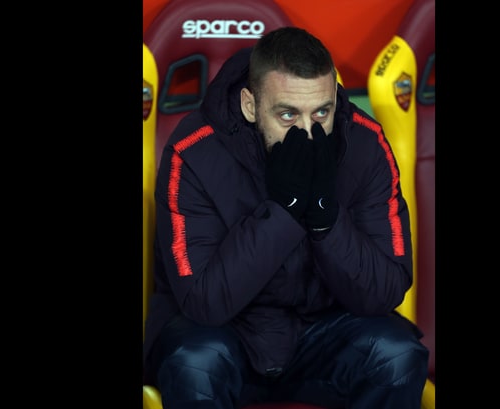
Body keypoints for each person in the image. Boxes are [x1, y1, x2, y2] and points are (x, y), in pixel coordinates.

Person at [143, 26, 429, 409]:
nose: (308, 133)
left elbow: (387, 289)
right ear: (250, 105)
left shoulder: (366, 143)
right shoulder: (192, 153)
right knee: (195, 366)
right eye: (288, 115)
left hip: (326, 329)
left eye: (322, 112)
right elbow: (204, 302)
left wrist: (326, 221)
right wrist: (283, 213)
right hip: (226, 333)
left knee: (397, 356)